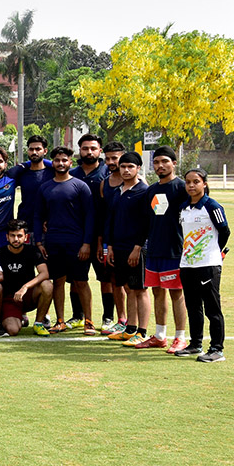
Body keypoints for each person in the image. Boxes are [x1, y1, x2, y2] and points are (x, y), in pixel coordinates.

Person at [34, 146, 94, 334]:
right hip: (53, 242)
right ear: (52, 163)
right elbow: (38, 216)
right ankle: (60, 320)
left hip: (76, 243)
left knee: (81, 281)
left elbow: (90, 216)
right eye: (57, 160)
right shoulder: (45, 187)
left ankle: (89, 321)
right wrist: (39, 242)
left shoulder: (80, 186)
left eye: (64, 160)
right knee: (58, 281)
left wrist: (86, 243)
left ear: (70, 162)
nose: (61, 163)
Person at [176, 168, 229, 362]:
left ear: (204, 184)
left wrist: (214, 252)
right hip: (187, 265)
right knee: (193, 306)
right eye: (188, 182)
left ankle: (217, 349)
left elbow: (224, 232)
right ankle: (195, 344)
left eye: (196, 181)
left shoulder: (212, 206)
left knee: (212, 308)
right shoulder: (183, 208)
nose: (191, 185)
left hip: (208, 265)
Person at [140, 146, 189, 351]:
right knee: (157, 292)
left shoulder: (182, 188)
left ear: (174, 163)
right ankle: (160, 336)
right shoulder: (151, 190)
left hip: (174, 251)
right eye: (156, 162)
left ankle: (180, 337)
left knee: (176, 293)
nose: (160, 166)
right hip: (154, 250)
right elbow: (147, 221)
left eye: (165, 162)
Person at [105, 152, 151, 346]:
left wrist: (138, 247)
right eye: (123, 166)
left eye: (130, 167)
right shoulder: (117, 191)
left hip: (137, 248)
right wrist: (110, 246)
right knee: (128, 288)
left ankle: (142, 332)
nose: (126, 170)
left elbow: (147, 223)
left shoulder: (145, 191)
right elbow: (111, 220)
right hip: (119, 247)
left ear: (138, 168)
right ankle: (130, 329)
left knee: (140, 289)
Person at [69, 133, 109, 325]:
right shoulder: (72, 173)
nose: (89, 152)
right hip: (77, 234)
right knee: (76, 278)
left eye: (93, 148)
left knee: (106, 278)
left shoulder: (108, 172)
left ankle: (108, 317)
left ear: (100, 150)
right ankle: (77, 316)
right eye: (85, 148)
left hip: (103, 234)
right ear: (80, 150)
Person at [0, 220, 53, 337]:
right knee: (13, 330)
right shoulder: (0, 253)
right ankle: (13, 317)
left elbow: (44, 273)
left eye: (19, 236)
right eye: (12, 236)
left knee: (47, 285)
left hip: (28, 295)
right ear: (7, 237)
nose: (16, 239)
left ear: (26, 237)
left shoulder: (33, 251)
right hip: (10, 299)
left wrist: (25, 287)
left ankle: (39, 323)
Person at [97, 141, 130, 333]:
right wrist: (101, 241)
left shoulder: (138, 183)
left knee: (132, 285)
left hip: (131, 241)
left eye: (115, 158)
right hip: (111, 241)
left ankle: (134, 322)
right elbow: (104, 215)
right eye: (108, 158)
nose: (111, 162)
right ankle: (122, 318)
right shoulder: (105, 183)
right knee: (115, 281)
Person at [6, 135, 54, 239]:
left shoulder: (53, 173)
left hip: (47, 226)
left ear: (45, 151)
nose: (34, 152)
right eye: (31, 149)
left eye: (38, 149)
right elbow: (5, 176)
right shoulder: (21, 174)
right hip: (25, 225)